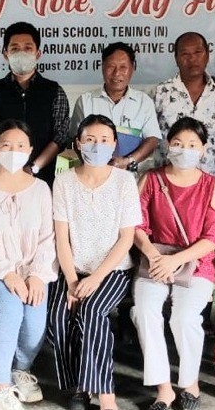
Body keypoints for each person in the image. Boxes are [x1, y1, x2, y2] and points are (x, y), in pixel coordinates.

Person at [131, 117, 215, 410]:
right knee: (145, 311)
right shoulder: (151, 178)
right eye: (177, 144)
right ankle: (164, 389)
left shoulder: (213, 186)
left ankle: (189, 383)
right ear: (167, 145)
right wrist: (155, 256)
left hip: (196, 263)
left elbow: (212, 238)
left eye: (191, 145)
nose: (184, 150)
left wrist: (176, 260)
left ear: (203, 150)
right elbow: (136, 225)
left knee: (184, 318)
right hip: (155, 259)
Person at [49, 114, 142, 410]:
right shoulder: (63, 182)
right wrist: (73, 281)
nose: (96, 145)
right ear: (78, 144)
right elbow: (61, 239)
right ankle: (79, 383)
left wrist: (95, 278)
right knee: (58, 316)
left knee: (91, 310)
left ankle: (105, 394)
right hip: (72, 269)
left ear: (114, 144)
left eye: (104, 140)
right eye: (89, 139)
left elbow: (127, 239)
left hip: (112, 270)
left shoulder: (125, 181)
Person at [0, 119, 57, 410]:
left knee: (35, 320)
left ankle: (21, 368)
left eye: (20, 145)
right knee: (11, 308)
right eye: (6, 145)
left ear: (31, 150)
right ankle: (0, 389)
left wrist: (37, 275)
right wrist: (8, 273)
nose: (13, 150)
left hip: (32, 271)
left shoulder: (41, 189)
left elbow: (47, 237)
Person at [0, 22, 71, 187]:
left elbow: (60, 137)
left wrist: (32, 168)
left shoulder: (55, 91)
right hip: (2, 178)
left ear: (38, 53)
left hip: (43, 178)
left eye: (28, 48)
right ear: (5, 54)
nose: (22, 53)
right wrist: (5, 170)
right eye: (14, 48)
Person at [70, 42, 161, 174]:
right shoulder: (85, 101)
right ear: (102, 67)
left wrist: (128, 161)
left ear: (133, 68)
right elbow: (75, 139)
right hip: (94, 177)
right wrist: (93, 167)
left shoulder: (143, 102)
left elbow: (152, 140)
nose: (117, 73)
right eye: (111, 66)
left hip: (133, 179)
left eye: (123, 67)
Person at [153, 32, 215, 178]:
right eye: (185, 54)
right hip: (167, 182)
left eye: (198, 52)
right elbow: (151, 137)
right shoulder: (161, 92)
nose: (192, 59)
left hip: (207, 182)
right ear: (176, 59)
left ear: (207, 55)